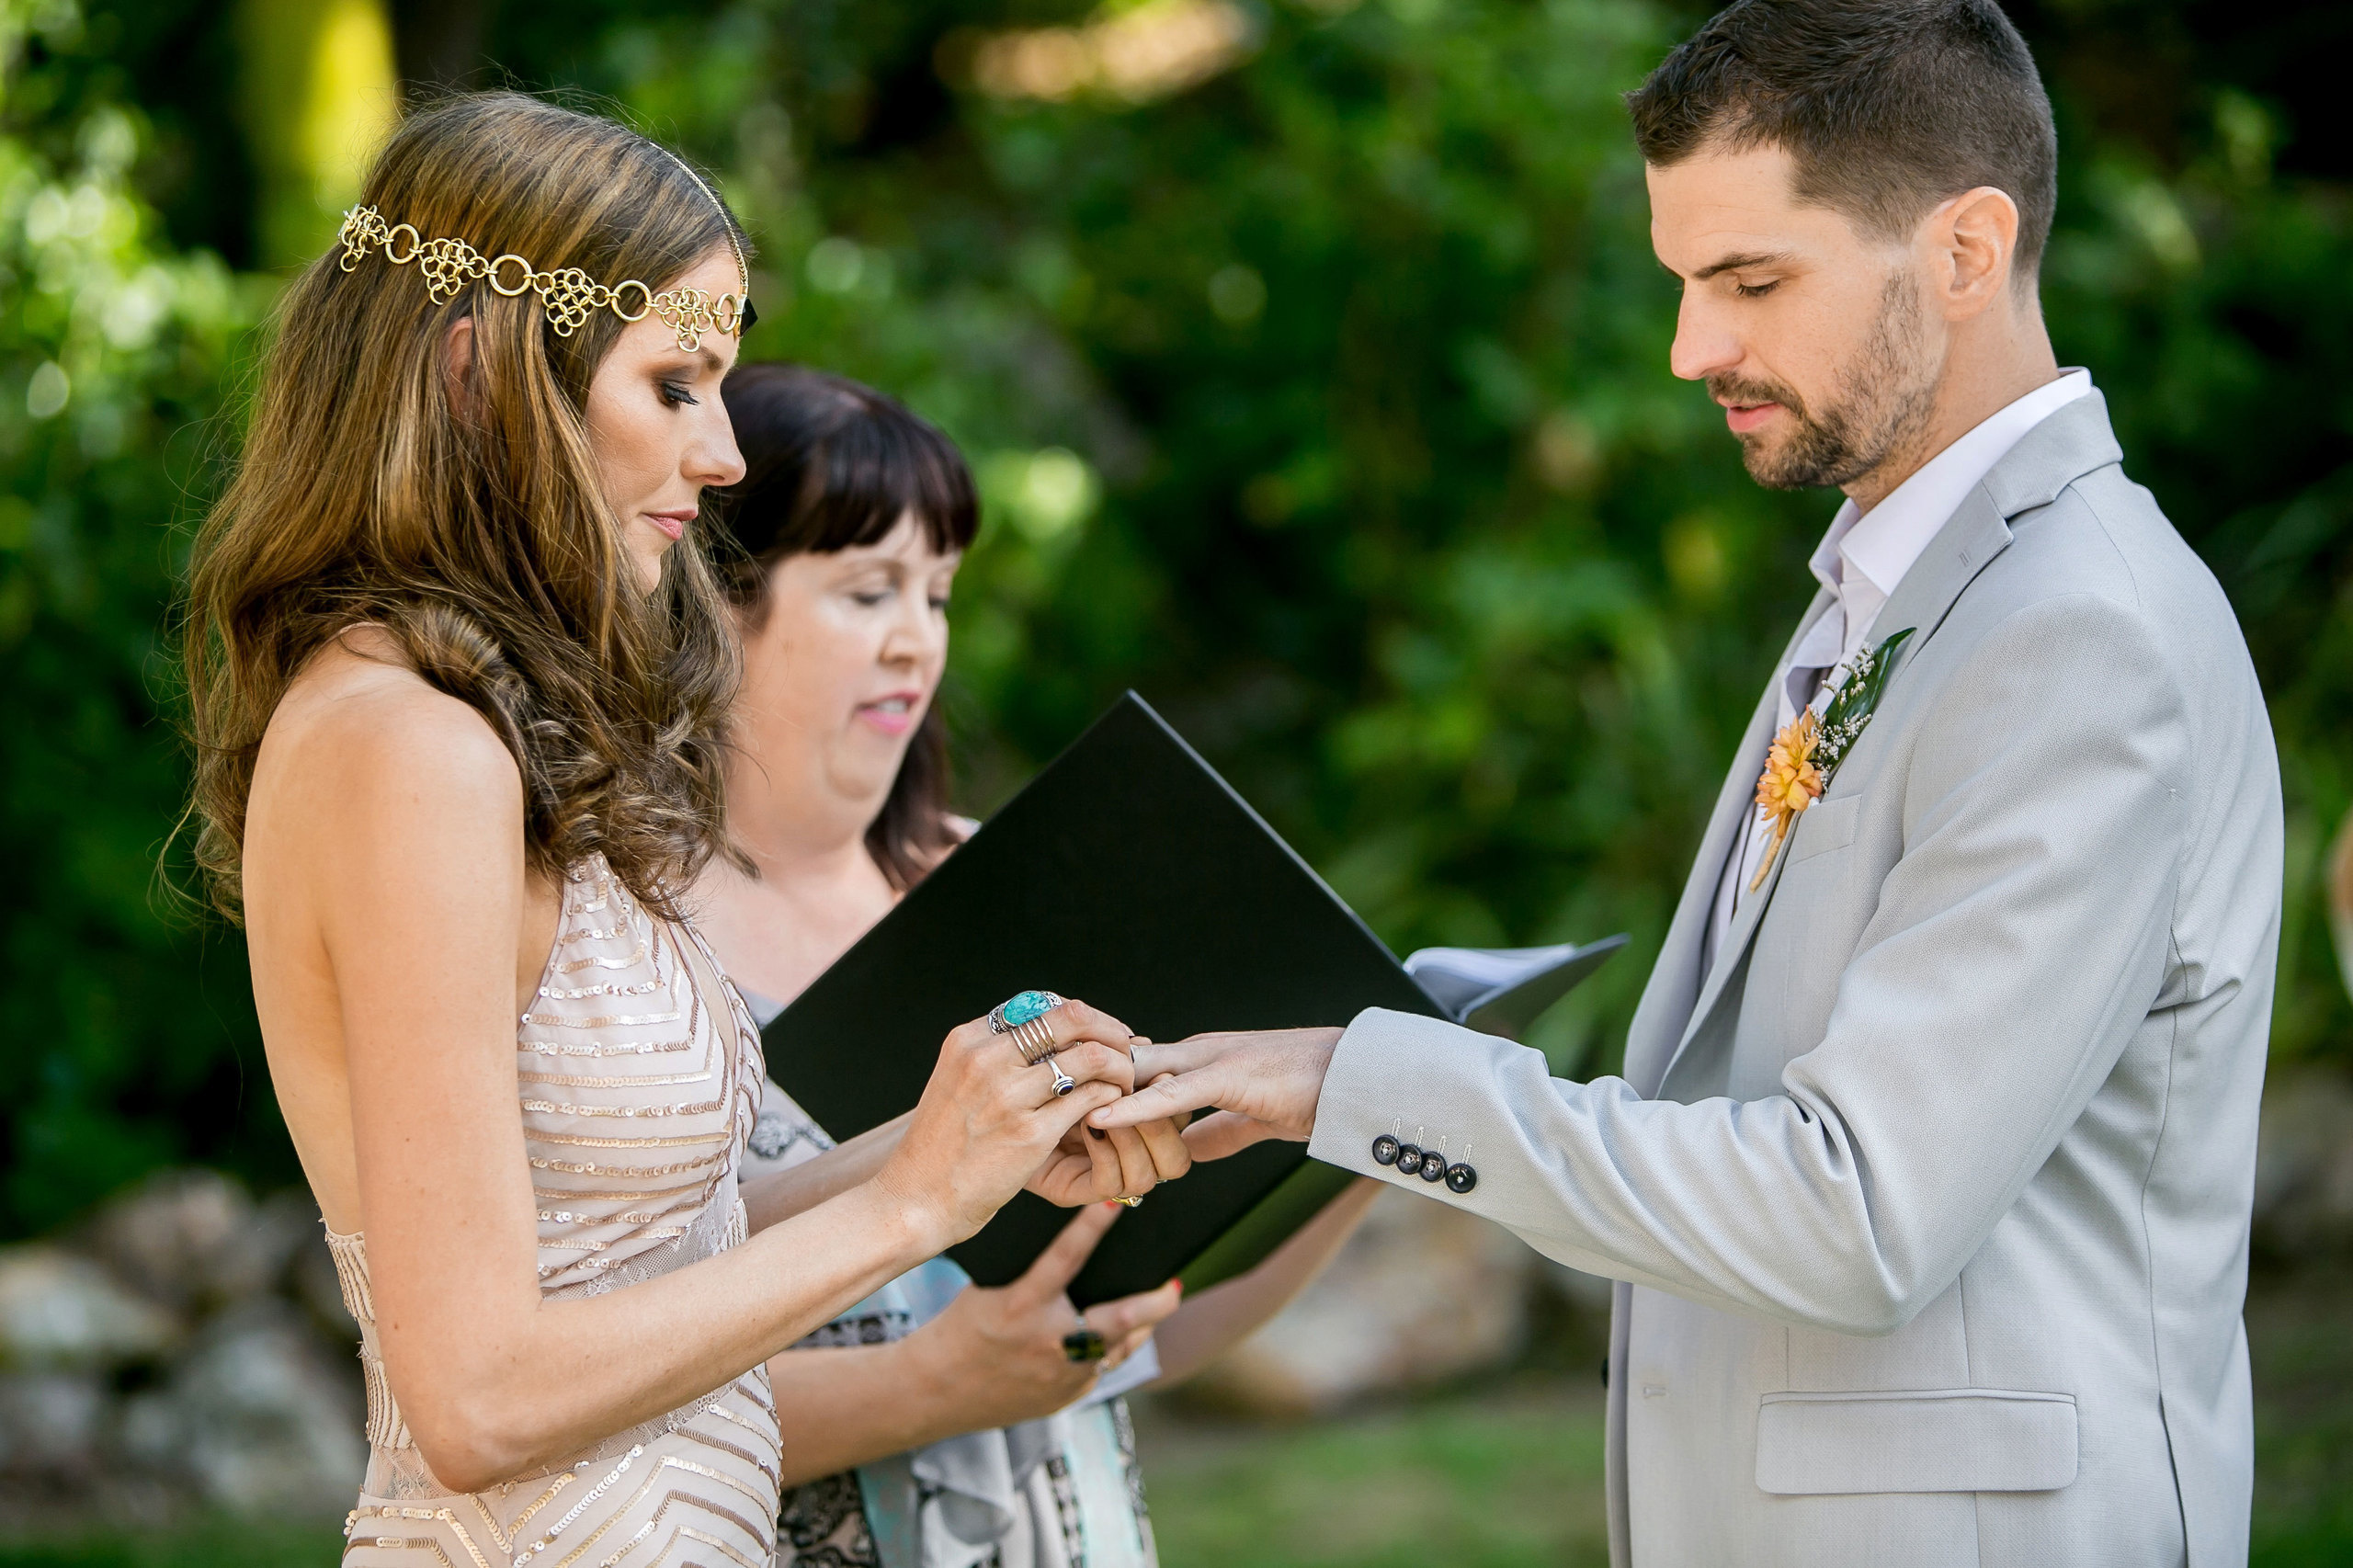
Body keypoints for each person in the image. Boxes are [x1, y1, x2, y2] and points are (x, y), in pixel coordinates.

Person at [1096, 5, 2279, 1565]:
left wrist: (1349, 1083)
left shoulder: (2081, 632)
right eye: (1683, 283)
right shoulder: (1905, 579)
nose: (1690, 351)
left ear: (1967, 252)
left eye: (1750, 282)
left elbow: (1859, 1210)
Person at [181, 95, 1155, 1568]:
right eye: (678, 384)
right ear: (481, 375)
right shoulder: (411, 753)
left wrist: (974, 1142)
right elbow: (479, 1394)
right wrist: (908, 1205)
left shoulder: (463, 729)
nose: (724, 457)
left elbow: (649, 1252)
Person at [696, 362, 1381, 1568]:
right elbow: (584, 1381)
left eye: (940, 593)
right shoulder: (624, 945)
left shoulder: (1013, 883)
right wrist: (929, 1385)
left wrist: (1366, 1145)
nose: (919, 641)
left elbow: (1140, 1329)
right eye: (868, 592)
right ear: (710, 597)